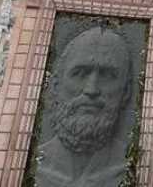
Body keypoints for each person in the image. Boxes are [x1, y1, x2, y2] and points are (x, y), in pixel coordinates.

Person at [35, 27, 133, 187]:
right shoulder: (34, 164)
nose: (91, 90)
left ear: (126, 92)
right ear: (55, 85)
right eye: (79, 73)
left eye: (108, 76)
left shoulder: (131, 168)